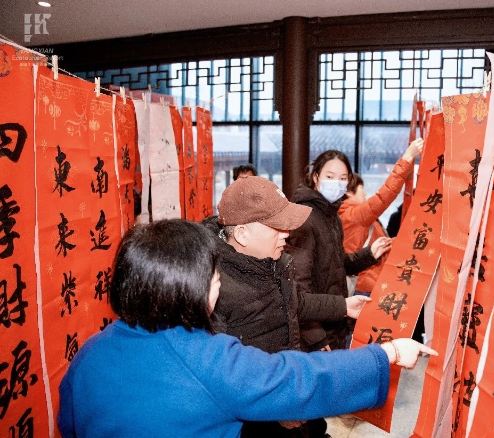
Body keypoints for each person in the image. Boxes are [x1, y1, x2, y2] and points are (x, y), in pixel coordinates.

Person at [57, 219, 436, 438]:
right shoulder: (205, 358)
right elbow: (297, 379)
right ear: (185, 287)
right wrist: (386, 354)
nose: (219, 284)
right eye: (213, 277)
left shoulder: (91, 352)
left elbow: (69, 426)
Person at [202, 176, 372, 437]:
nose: (287, 234)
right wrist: (276, 405)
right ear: (243, 234)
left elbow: (294, 302)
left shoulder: (273, 262)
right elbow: (225, 371)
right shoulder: (214, 286)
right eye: (277, 227)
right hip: (251, 415)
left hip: (284, 383)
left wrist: (344, 306)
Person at [289, 150, 392, 352]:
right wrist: (315, 336)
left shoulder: (332, 216)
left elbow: (337, 264)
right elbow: (297, 284)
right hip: (315, 328)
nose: (336, 183)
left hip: (334, 319)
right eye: (330, 177)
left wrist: (369, 254)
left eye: (343, 178)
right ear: (315, 177)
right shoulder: (305, 217)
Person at [339, 138, 423, 296]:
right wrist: (407, 158)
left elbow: (382, 245)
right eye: (361, 188)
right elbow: (385, 195)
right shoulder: (354, 215)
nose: (364, 193)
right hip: (365, 287)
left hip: (367, 284)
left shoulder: (349, 216)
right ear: (348, 192)